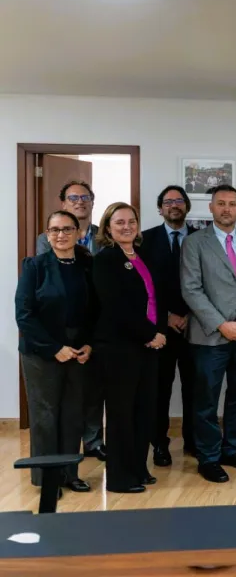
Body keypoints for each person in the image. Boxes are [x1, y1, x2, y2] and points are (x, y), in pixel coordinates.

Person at [181, 185, 236, 484]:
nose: (226, 209)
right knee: (205, 399)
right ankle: (208, 457)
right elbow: (191, 289)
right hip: (209, 337)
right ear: (211, 208)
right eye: (221, 203)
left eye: (232, 204)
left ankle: (232, 449)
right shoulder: (194, 243)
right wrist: (222, 324)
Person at [15, 211, 96, 494]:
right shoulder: (34, 266)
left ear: (78, 233)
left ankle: (69, 473)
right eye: (54, 230)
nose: (61, 235)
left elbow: (95, 310)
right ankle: (48, 479)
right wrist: (54, 349)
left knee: (73, 414)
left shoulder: (87, 265)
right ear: (47, 235)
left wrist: (89, 344)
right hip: (41, 351)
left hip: (78, 350)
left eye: (67, 229)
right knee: (45, 417)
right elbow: (24, 315)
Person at [92, 203, 166, 493]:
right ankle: (120, 478)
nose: (127, 227)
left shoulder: (142, 255)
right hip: (119, 347)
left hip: (148, 345)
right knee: (122, 414)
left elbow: (155, 298)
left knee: (144, 410)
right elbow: (116, 306)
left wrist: (159, 332)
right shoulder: (105, 260)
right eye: (119, 222)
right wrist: (149, 334)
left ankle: (138, 468)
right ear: (107, 227)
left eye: (131, 221)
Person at [36, 180, 106, 462]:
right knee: (65, 395)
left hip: (95, 322)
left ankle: (93, 441)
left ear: (92, 201)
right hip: (61, 327)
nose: (80, 202)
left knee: (94, 387)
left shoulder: (104, 235)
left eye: (85, 197)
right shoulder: (48, 239)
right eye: (73, 197)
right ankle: (66, 449)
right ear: (63, 202)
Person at [139, 186, 198, 467]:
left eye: (179, 200)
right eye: (168, 201)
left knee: (195, 389)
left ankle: (194, 442)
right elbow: (142, 287)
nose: (174, 205)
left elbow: (209, 282)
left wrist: (190, 315)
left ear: (187, 206)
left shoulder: (201, 239)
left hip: (196, 326)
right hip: (159, 329)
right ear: (160, 208)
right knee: (159, 391)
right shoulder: (144, 240)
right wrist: (166, 317)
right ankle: (159, 444)